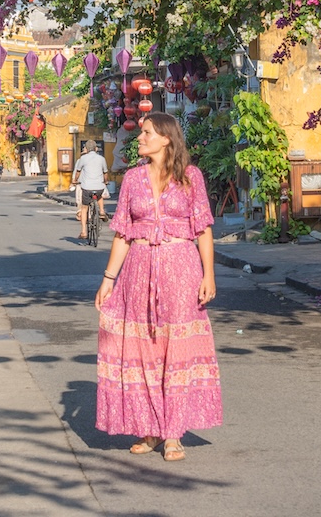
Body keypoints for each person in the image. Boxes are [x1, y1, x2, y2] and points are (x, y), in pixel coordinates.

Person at [94, 112, 221, 463]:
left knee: (175, 350)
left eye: (147, 133)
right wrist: (108, 279)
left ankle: (173, 434)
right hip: (138, 269)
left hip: (181, 268)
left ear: (166, 138)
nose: (140, 138)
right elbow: (122, 233)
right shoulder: (132, 179)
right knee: (143, 349)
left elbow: (203, 230)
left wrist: (208, 275)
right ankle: (150, 429)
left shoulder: (190, 177)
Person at [72, 140, 109, 240]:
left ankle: (84, 231)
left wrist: (75, 180)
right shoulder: (102, 159)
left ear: (86, 149)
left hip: (87, 187)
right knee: (99, 195)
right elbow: (105, 172)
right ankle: (101, 211)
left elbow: (78, 172)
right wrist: (106, 181)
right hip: (99, 187)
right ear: (96, 149)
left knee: (84, 208)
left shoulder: (83, 158)